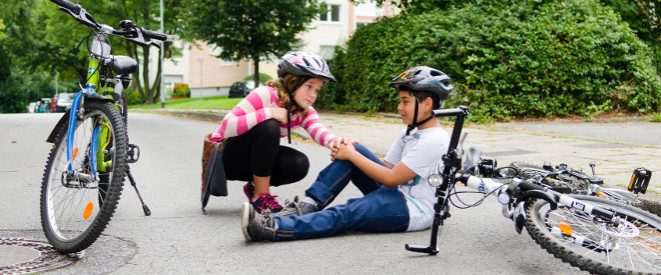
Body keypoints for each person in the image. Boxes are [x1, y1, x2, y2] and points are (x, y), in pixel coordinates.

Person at [240, 66, 454, 241]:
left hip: (413, 210)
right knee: (357, 151)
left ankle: (273, 227)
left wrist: (351, 155)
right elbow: (387, 168)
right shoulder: (410, 132)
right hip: (397, 193)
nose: (399, 107)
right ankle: (307, 207)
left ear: (427, 105)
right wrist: (352, 153)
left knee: (347, 212)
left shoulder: (434, 140)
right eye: (400, 100)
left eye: (405, 101)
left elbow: (390, 179)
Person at [206, 51, 354, 214]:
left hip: (253, 162)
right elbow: (225, 127)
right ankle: (262, 196)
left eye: (317, 90)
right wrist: (268, 113)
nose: (313, 95)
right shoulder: (265, 94)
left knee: (299, 163)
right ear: (293, 82)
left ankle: (255, 187)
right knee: (269, 126)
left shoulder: (304, 111)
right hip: (226, 160)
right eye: (309, 86)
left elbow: (319, 130)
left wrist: (337, 141)